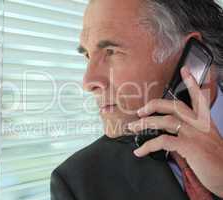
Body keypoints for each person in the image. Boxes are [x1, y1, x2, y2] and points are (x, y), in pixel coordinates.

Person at [50, 0, 223, 199]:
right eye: (88, 55)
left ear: (192, 57)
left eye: (111, 52)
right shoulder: (79, 182)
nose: (88, 82)